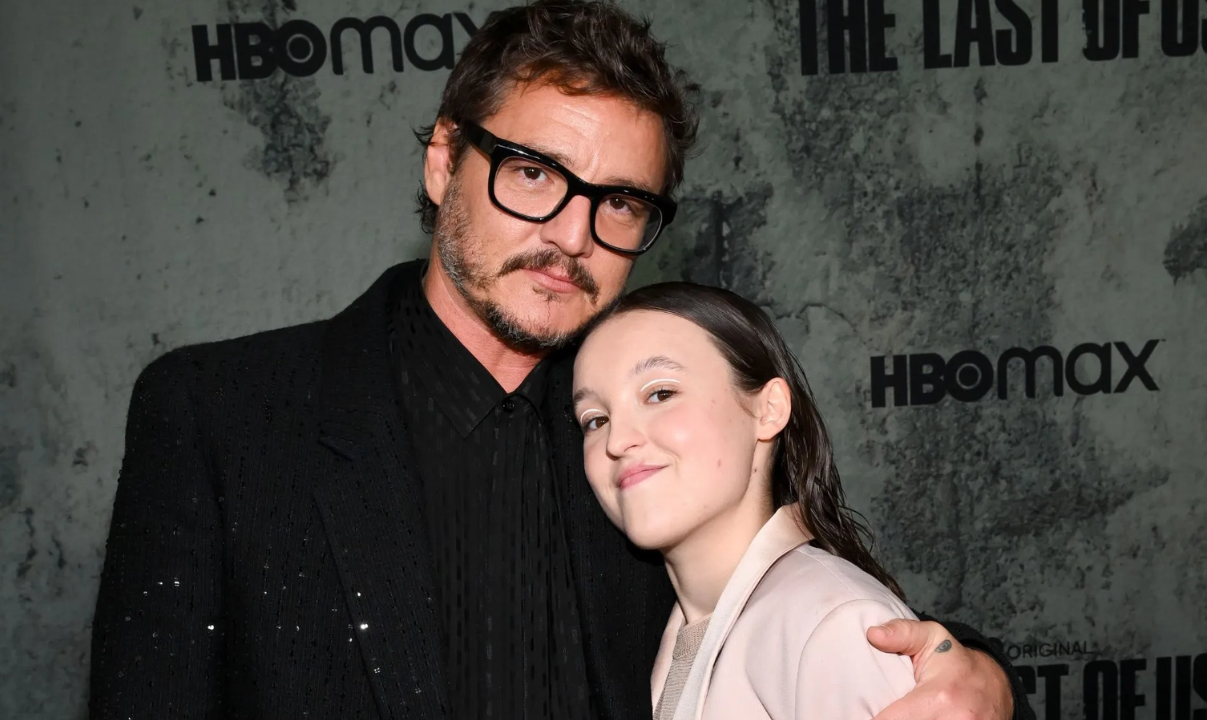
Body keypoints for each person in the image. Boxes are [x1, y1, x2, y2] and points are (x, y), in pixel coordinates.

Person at [89, 2, 1032, 719]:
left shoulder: (648, 432)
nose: (571, 235)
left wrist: (981, 675)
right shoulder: (222, 415)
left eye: (619, 203)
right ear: (442, 163)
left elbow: (816, 615)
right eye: (533, 173)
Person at [572, 282, 921, 719]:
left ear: (768, 409)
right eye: (595, 419)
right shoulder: (669, 634)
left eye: (660, 393)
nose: (618, 440)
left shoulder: (835, 626)